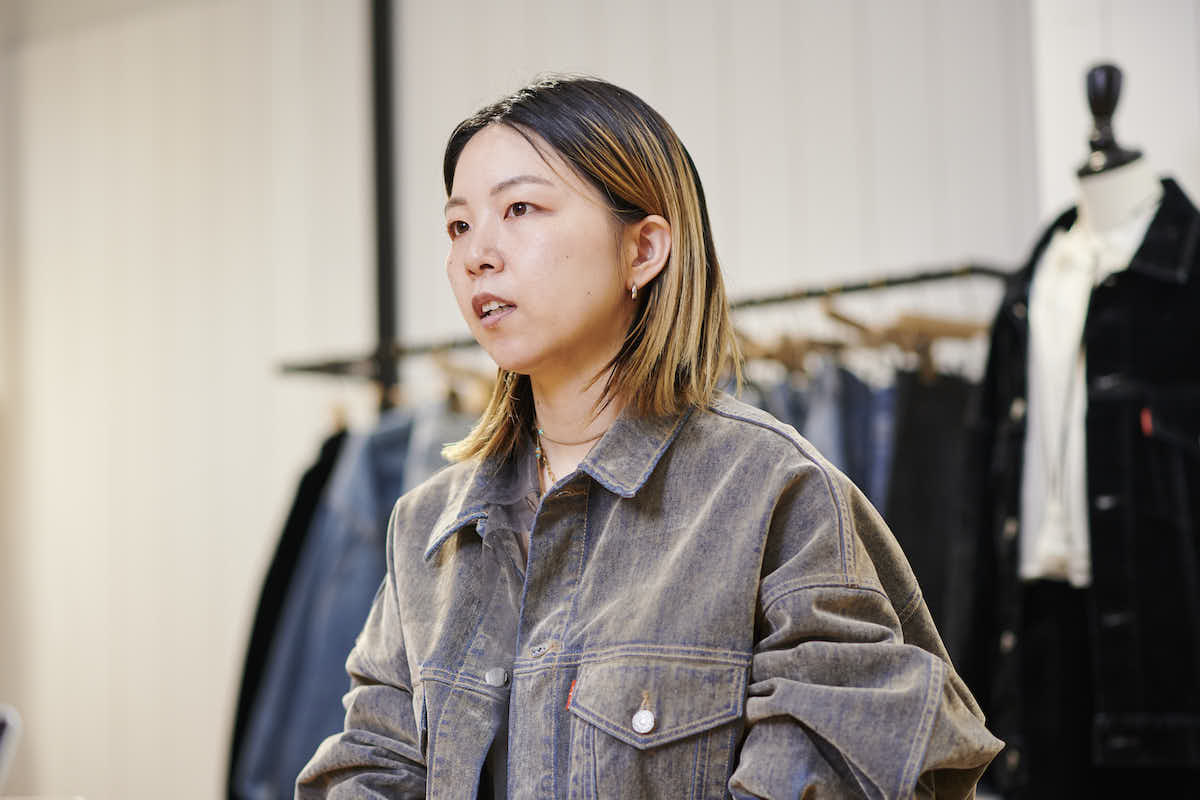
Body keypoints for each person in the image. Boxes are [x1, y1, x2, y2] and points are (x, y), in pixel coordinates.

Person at [296, 74, 1002, 799]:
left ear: (643, 250)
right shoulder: (427, 529)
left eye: (520, 209)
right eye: (458, 226)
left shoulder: (774, 494)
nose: (478, 253)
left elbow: (852, 765)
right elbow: (370, 766)